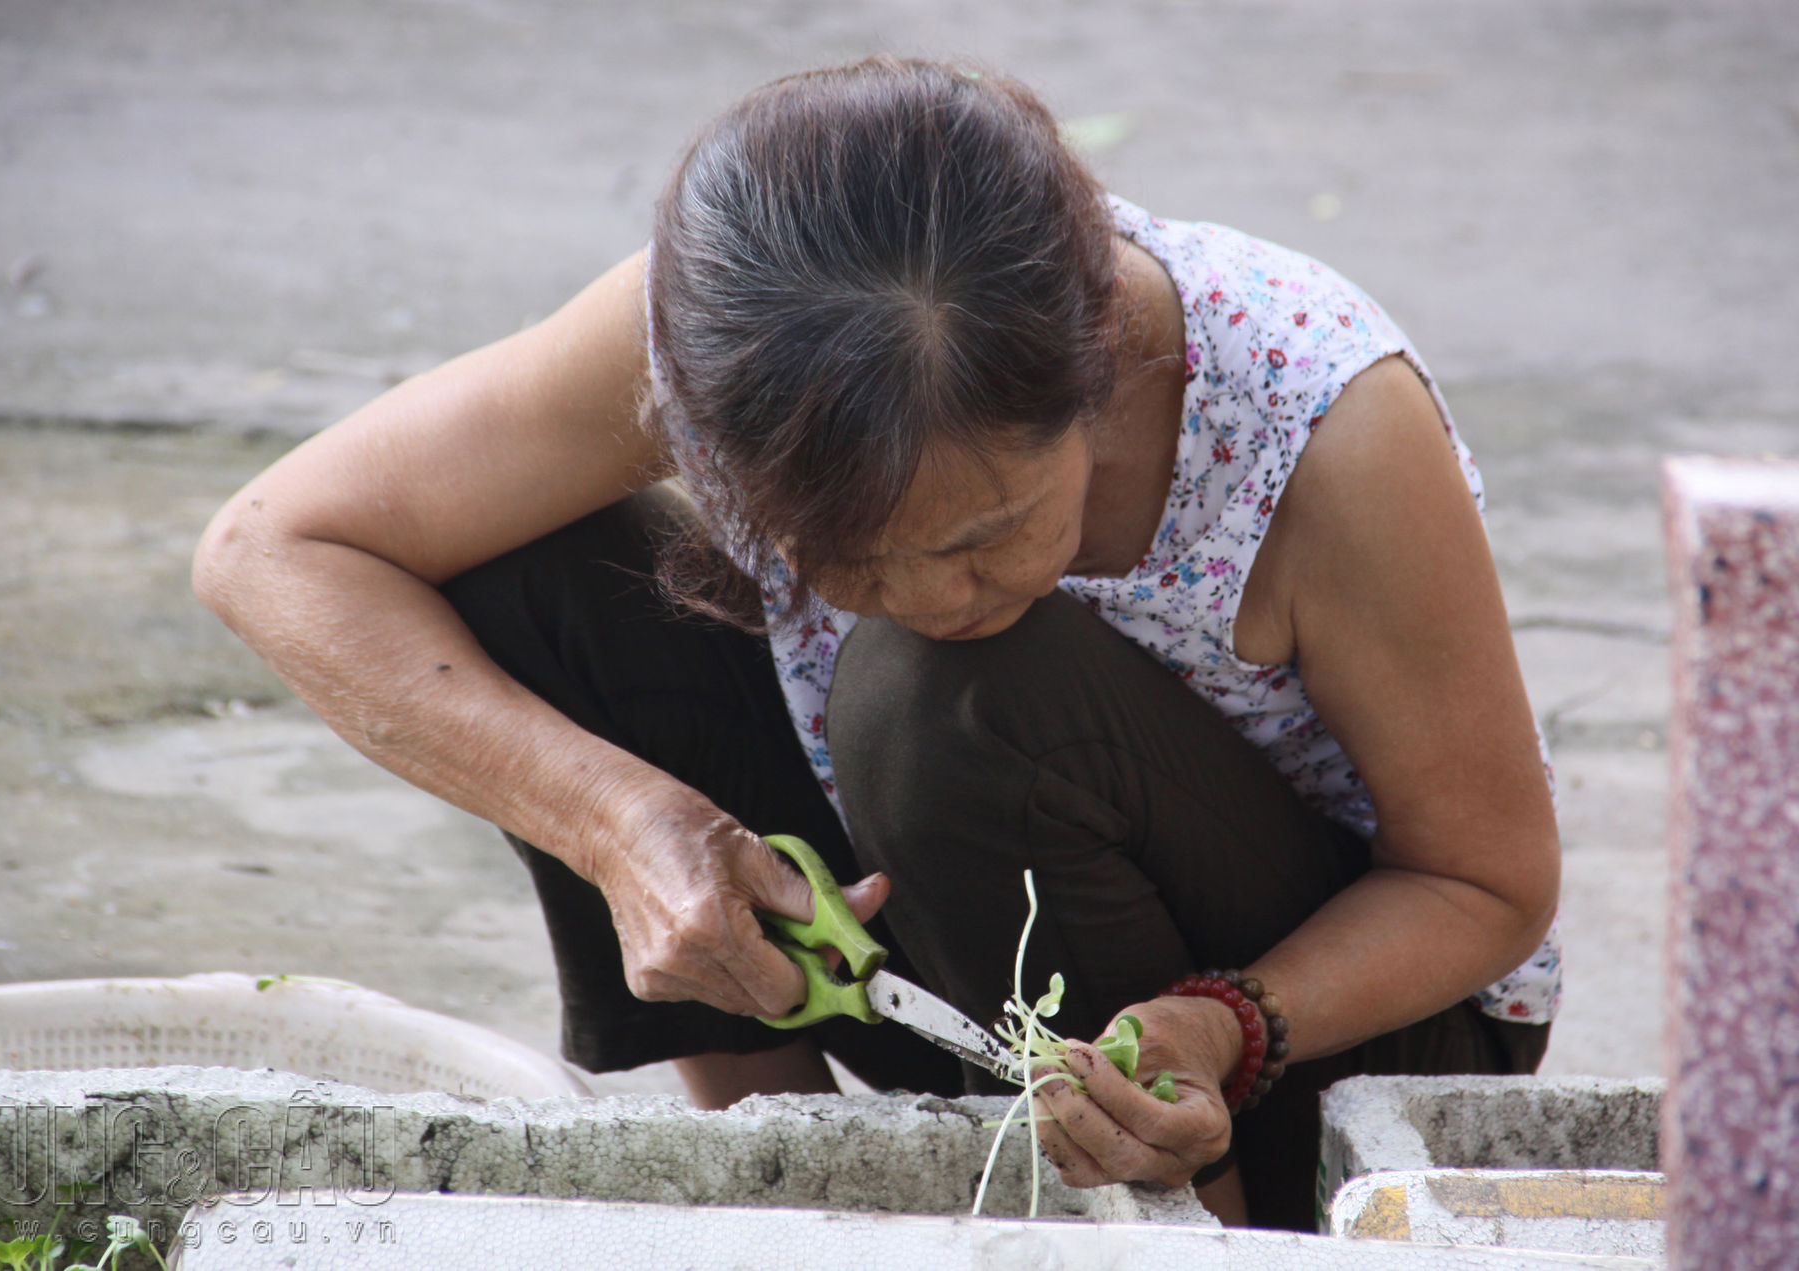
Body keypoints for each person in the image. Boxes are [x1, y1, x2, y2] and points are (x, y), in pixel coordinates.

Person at [193, 56, 1559, 1230]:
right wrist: (625, 828)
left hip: (1320, 1024)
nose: (926, 590)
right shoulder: (707, 337)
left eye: (988, 534)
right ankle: (787, 1178)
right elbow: (274, 547)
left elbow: (1484, 886)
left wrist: (1222, 1027)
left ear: (1104, 364)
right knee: (539, 579)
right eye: (837, 558)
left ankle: (1180, 1220)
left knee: (950, 686)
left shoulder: (1321, 418)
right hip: (936, 939)